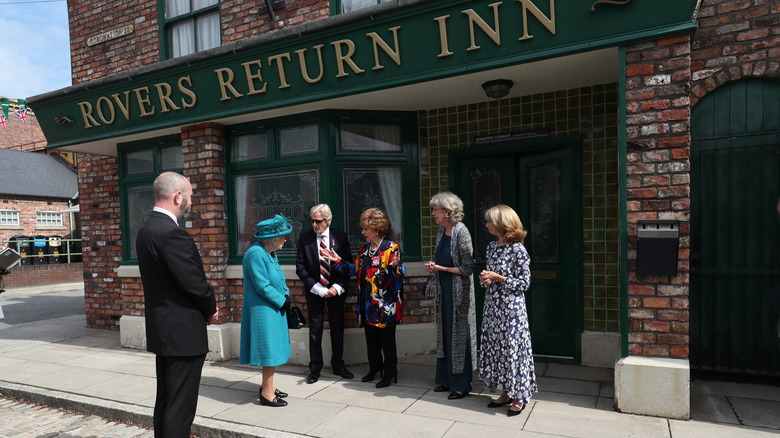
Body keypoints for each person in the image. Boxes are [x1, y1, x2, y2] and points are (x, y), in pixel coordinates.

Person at [135, 171, 218, 437]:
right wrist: (211, 308)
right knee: (180, 408)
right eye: (190, 195)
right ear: (177, 196)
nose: (191, 201)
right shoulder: (172, 234)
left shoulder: (146, 229)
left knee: (167, 403)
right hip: (183, 331)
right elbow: (194, 282)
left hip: (165, 329)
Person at [322, 208, 405, 388]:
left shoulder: (391, 247)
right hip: (367, 304)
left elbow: (399, 274)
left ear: (376, 229)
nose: (363, 232)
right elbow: (353, 270)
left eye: (366, 229)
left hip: (385, 304)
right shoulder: (364, 249)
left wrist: (394, 267)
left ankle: (389, 372)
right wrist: (337, 260)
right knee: (371, 340)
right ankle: (374, 368)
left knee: (387, 342)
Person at [478, 204, 537, 417]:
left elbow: (524, 283)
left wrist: (499, 278)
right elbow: (492, 277)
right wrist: (486, 279)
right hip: (493, 307)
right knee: (499, 350)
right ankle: (505, 393)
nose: (486, 225)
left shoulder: (518, 249)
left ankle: (519, 396)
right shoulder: (492, 247)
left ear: (502, 224)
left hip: (512, 310)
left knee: (513, 351)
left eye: (490, 222)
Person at [424, 192, 477, 400]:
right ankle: (446, 380)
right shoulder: (441, 231)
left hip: (459, 293)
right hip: (444, 289)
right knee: (445, 333)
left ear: (446, 211)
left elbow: (468, 267)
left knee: (459, 336)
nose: (432, 214)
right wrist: (435, 267)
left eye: (435, 210)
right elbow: (442, 260)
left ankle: (461, 385)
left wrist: (442, 268)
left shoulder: (461, 231)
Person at [295, 204, 354, 384]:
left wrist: (336, 287)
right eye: (312, 221)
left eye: (318, 221)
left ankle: (338, 364)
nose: (314, 224)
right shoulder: (305, 238)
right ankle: (315, 368)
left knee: (337, 328)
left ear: (328, 221)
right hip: (315, 291)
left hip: (336, 290)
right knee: (315, 329)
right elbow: (300, 268)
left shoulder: (340, 237)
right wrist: (319, 288)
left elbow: (348, 266)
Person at [239, 214, 293, 407]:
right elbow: (262, 285)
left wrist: (286, 294)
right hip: (263, 310)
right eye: (282, 236)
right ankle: (267, 394)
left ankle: (267, 386)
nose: (285, 240)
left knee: (274, 350)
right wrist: (282, 301)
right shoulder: (256, 254)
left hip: (273, 308)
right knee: (269, 351)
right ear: (272, 238)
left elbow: (278, 277)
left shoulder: (269, 253)